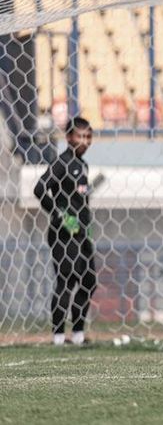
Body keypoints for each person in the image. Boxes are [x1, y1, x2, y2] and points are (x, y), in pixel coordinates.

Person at [33, 116, 96, 346]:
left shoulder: (83, 165)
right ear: (69, 137)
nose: (85, 141)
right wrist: (61, 215)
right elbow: (40, 188)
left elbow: (81, 201)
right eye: (80, 136)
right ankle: (59, 337)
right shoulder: (62, 163)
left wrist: (85, 223)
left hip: (81, 233)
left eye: (88, 136)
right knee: (66, 281)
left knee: (89, 281)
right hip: (62, 233)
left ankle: (78, 334)